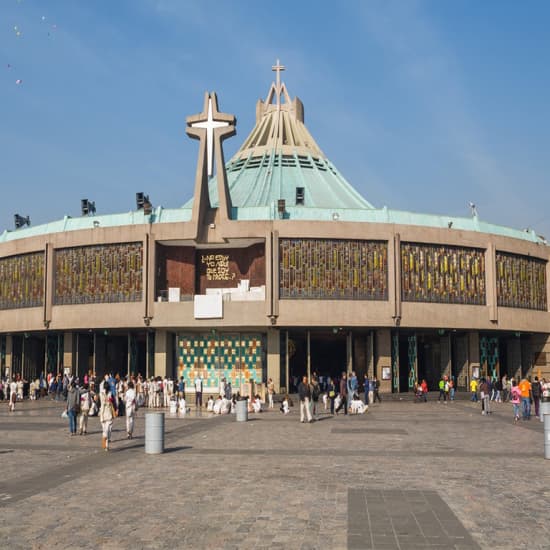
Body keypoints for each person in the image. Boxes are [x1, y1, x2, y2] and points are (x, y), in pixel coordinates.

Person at [99, 384, 115, 451]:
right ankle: (105, 444)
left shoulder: (110, 393)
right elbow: (100, 403)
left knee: (108, 429)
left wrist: (110, 401)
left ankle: (106, 445)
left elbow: (113, 402)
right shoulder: (101, 394)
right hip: (104, 412)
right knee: (105, 430)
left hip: (108, 412)